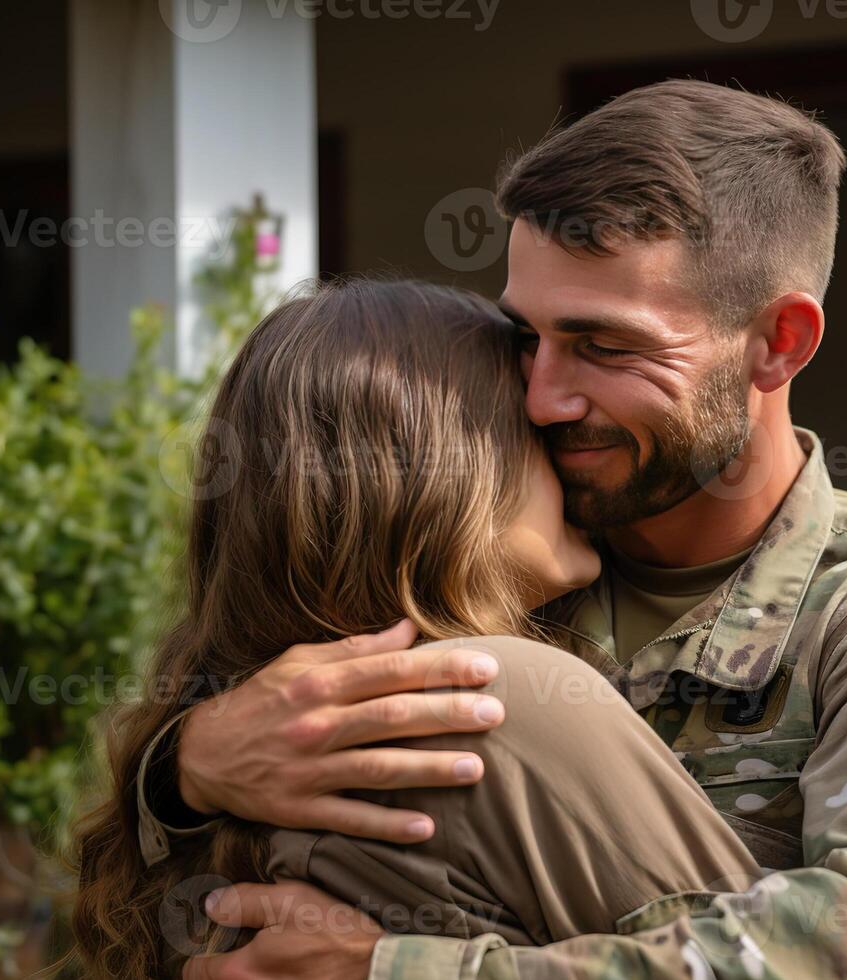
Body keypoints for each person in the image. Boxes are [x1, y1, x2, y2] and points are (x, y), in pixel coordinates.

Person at [152, 80, 847, 979]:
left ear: (780, 343)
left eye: (606, 347)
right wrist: (187, 766)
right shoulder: (489, 555)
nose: (545, 396)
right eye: (528, 338)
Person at [68, 279, 765, 979]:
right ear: (455, 474)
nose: (572, 461)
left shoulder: (226, 748)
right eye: (534, 435)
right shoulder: (498, 694)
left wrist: (176, 767)